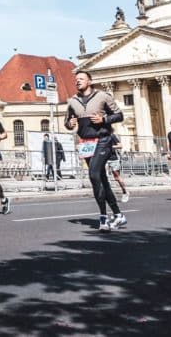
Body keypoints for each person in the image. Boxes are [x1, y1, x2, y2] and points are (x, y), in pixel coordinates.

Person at [65, 71, 126, 231]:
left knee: (93, 174)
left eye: (81, 79)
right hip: (86, 142)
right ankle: (119, 215)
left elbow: (119, 115)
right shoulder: (72, 101)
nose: (78, 81)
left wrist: (104, 119)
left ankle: (103, 217)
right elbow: (67, 121)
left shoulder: (102, 97)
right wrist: (70, 124)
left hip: (102, 140)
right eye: (76, 79)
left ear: (90, 81)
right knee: (101, 180)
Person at [107, 133, 130, 202]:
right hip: (103, 159)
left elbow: (120, 146)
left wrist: (110, 146)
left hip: (113, 159)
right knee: (104, 176)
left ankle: (125, 192)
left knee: (117, 177)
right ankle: (108, 195)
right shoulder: (98, 135)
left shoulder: (111, 135)